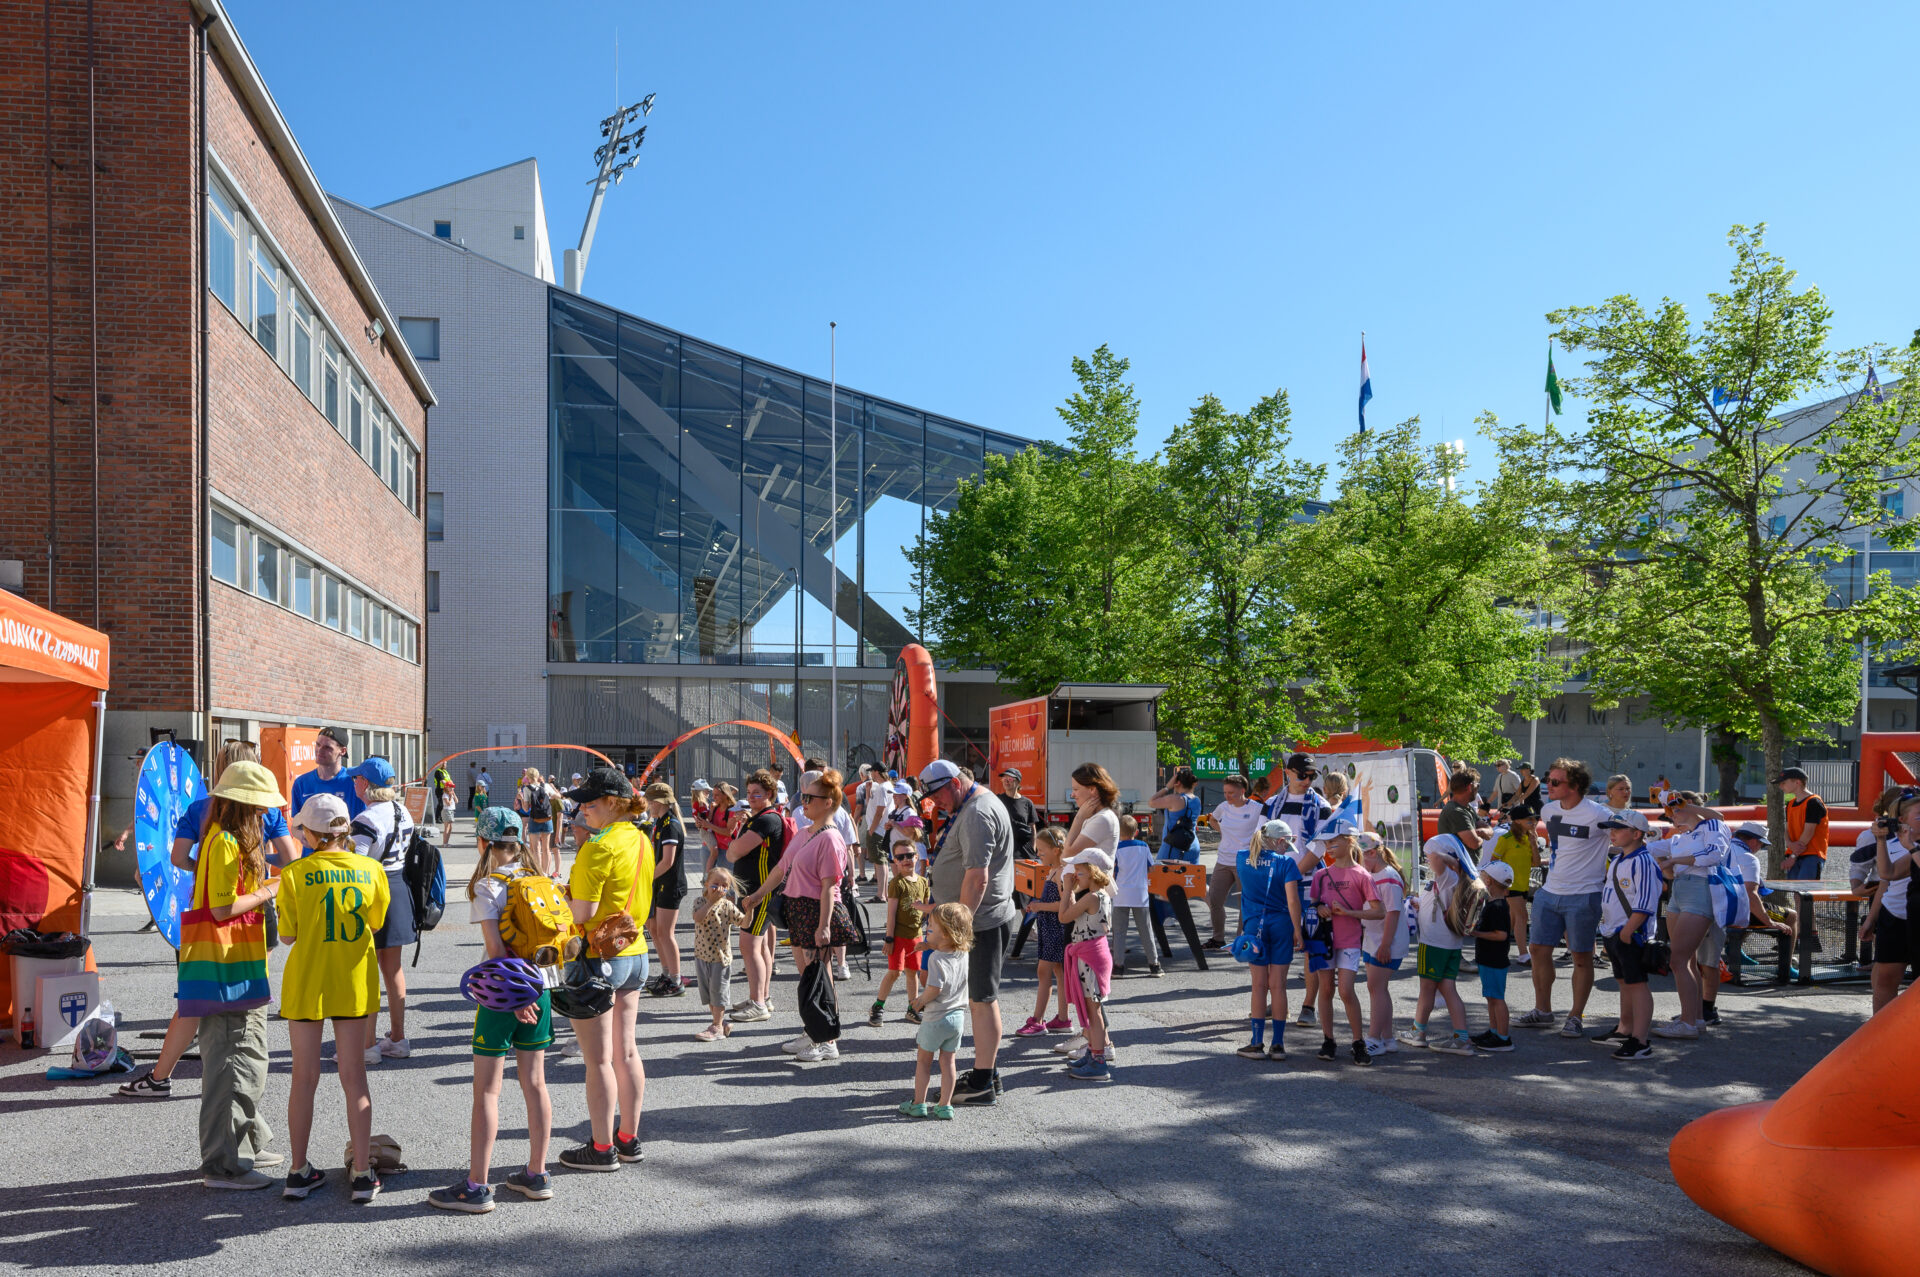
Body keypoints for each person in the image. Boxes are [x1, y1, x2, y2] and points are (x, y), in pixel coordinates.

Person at [120, 741, 300, 1100]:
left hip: (209, 915)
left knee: (197, 1000)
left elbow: (176, 857)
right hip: (251, 914)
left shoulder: (201, 809)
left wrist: (204, 870)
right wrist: (261, 877)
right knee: (245, 1000)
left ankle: (163, 1076)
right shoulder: (260, 816)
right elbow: (289, 859)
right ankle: (238, 1082)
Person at [429, 806, 555, 1211]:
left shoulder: (489, 886)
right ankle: (537, 1174)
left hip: (504, 993)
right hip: (542, 989)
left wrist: (514, 998)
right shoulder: (540, 879)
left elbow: (496, 951)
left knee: (486, 1089)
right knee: (535, 1083)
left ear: (483, 842)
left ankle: (477, 1185)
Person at [278, 792, 390, 1204]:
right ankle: (361, 1172)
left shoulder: (294, 873)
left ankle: (298, 1170)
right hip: (352, 980)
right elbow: (375, 923)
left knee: (303, 1078)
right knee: (354, 1076)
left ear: (310, 833)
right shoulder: (371, 869)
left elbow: (287, 935)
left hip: (307, 980)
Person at [182, 762, 285, 1190]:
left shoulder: (222, 838)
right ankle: (225, 1164)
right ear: (243, 806)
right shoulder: (225, 842)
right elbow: (223, 908)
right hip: (228, 967)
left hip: (237, 964)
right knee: (234, 1062)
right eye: (260, 806)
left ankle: (247, 1143)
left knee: (246, 1056)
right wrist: (268, 890)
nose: (266, 813)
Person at [560, 766, 655, 1170]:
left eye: (591, 803)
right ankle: (628, 1139)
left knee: (598, 1060)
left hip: (597, 957)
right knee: (626, 1051)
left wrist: (561, 898)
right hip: (634, 950)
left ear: (614, 803)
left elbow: (582, 912)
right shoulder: (641, 839)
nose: (583, 810)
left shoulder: (597, 847)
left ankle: (601, 1148)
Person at [743, 768, 856, 1063]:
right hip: (799, 910)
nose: (803, 802)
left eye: (809, 798)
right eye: (802, 797)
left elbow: (829, 886)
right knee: (808, 978)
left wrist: (824, 926)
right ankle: (813, 1030)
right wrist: (757, 895)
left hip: (817, 911)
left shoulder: (831, 838)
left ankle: (827, 1039)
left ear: (828, 802)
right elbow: (781, 868)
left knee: (821, 978)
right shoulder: (806, 832)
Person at [920, 758, 1016, 1104]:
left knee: (981, 1001)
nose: (936, 803)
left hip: (981, 921)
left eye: (939, 796)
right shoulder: (973, 805)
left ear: (955, 783)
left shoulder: (977, 813)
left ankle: (982, 1082)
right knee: (979, 999)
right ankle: (988, 1072)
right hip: (980, 919)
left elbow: (977, 879)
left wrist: (957, 929)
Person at [1516, 758, 1610, 1039]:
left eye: (1555, 781)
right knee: (1538, 951)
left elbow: (1627, 836)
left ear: (1576, 785)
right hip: (1549, 892)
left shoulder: (1598, 814)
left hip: (1585, 894)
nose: (1549, 785)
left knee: (1582, 957)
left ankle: (1575, 1017)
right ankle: (1543, 1011)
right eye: (1548, 779)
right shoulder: (1548, 809)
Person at [346, 757, 417, 1067]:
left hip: (372, 891)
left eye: (357, 778)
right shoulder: (403, 812)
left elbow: (356, 865)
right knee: (393, 969)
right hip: (399, 888)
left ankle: (367, 1045)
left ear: (366, 784)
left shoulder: (366, 818)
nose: (354, 782)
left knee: (368, 970)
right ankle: (398, 1039)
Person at [1647, 793, 1730, 1040]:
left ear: (1689, 807)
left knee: (1678, 960)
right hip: (1680, 891)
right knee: (1688, 961)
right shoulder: (1680, 837)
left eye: (1675, 810)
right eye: (1668, 812)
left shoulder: (1711, 825)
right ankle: (1695, 1019)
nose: (1671, 816)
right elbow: (1648, 849)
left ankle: (1688, 1023)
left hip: (1700, 889)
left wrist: (1673, 860)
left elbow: (1713, 855)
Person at [1593, 810, 1664, 1059]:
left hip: (1631, 933)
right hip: (1615, 931)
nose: (1612, 833)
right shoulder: (1618, 859)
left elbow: (1645, 903)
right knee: (1624, 982)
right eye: (1611, 828)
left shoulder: (1643, 861)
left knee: (1637, 984)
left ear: (1636, 834)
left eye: (1618, 829)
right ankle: (1625, 1029)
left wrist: (1627, 931)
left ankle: (1640, 1040)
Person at [1397, 836, 1477, 1055]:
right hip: (1450, 943)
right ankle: (1461, 1038)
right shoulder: (1450, 878)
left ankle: (1418, 1032)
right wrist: (1419, 903)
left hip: (1434, 943)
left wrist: (1444, 855)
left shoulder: (1448, 875)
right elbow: (1437, 900)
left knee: (1426, 989)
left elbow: (1441, 861)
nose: (1427, 859)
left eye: (1428, 854)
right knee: (1448, 989)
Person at [1232, 819, 1305, 1060]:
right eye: (1286, 845)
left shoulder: (1242, 858)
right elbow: (1293, 900)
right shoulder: (1286, 863)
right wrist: (1298, 930)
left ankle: (1256, 1042)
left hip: (1255, 927)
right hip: (1282, 925)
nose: (1287, 850)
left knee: (1258, 986)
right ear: (1280, 841)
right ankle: (1278, 1045)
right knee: (1278, 986)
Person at [1309, 820, 1378, 1065]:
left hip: (1350, 941)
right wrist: (1319, 908)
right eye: (1326, 842)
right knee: (1326, 989)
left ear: (1349, 841)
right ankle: (1328, 1040)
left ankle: (1358, 1042)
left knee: (1346, 990)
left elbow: (1379, 912)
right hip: (1324, 941)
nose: (1328, 846)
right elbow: (1313, 905)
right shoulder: (1320, 875)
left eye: (1333, 841)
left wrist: (1349, 913)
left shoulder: (1363, 875)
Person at [724, 770, 789, 1021]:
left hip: (758, 893)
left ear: (770, 794)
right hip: (754, 892)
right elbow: (734, 850)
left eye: (757, 793)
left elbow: (733, 852)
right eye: (749, 792)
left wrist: (734, 846)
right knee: (759, 947)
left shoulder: (766, 820)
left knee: (749, 945)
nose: (751, 797)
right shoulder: (759, 818)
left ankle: (759, 1003)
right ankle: (762, 997)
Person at [900, 903, 974, 1119]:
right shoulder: (963, 953)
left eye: (931, 927)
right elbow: (947, 950)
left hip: (935, 1018)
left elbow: (934, 988)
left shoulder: (935, 959)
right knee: (948, 1062)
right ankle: (945, 1105)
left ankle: (918, 1104)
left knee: (924, 1062)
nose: (927, 929)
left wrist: (920, 1001)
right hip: (957, 1018)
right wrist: (929, 944)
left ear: (947, 933)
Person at [1059, 850, 1118, 1082]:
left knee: (1093, 1011)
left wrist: (1067, 889)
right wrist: (1073, 892)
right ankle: (1094, 1053)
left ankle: (1098, 1062)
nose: (1075, 875)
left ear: (1092, 872)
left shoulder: (1091, 897)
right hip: (1093, 954)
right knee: (1093, 1009)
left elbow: (1064, 916)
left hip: (1089, 957)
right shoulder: (1099, 895)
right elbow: (1076, 915)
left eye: (1079, 871)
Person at [1016, 826, 1072, 1038]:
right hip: (1050, 928)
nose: (1038, 853)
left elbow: (1066, 904)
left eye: (1041, 850)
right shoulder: (1053, 871)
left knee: (1044, 972)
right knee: (1058, 972)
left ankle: (1038, 1021)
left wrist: (1040, 906)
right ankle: (1063, 1019)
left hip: (1056, 929)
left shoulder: (1062, 873)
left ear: (1056, 850)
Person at [1357, 835, 1409, 1057]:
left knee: (1376, 989)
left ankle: (1374, 1038)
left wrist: (1386, 945)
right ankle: (1387, 1039)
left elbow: (1393, 913)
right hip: (1374, 940)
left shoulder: (1388, 877)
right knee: (1378, 989)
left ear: (1371, 853)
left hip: (1385, 943)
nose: (1358, 862)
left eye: (1360, 856)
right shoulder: (1375, 874)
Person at [1868, 790, 1920, 1015]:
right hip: (1901, 916)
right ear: (1902, 820)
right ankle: (1879, 1030)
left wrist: (1911, 847)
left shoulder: (1913, 846)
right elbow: (1887, 873)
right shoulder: (1910, 844)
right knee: (1885, 978)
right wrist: (1881, 840)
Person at [871, 836, 931, 1027]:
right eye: (900, 857)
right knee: (895, 972)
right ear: (895, 861)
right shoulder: (896, 883)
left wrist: (928, 935)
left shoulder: (923, 882)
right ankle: (878, 1007)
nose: (905, 860)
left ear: (916, 857)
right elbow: (891, 913)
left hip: (916, 936)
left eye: (909, 855)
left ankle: (913, 1008)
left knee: (912, 972)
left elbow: (926, 910)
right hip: (897, 936)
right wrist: (889, 939)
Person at [1205, 774, 1265, 949]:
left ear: (1243, 790)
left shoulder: (1256, 808)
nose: (1227, 796)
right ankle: (1217, 938)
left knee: (1244, 903)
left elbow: (1265, 830)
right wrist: (1223, 832)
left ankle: (1241, 940)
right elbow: (1213, 819)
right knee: (1215, 900)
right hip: (1223, 860)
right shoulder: (1223, 807)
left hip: (1245, 861)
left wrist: (1256, 846)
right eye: (1225, 792)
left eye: (1231, 792)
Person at [690, 866, 748, 1042]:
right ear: (706, 884)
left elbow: (744, 923)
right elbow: (698, 918)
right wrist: (711, 903)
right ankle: (720, 1023)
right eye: (715, 884)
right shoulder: (700, 902)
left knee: (719, 994)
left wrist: (750, 909)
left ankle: (717, 1027)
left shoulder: (728, 906)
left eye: (724, 886)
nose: (719, 888)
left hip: (720, 958)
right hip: (701, 956)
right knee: (708, 994)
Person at [642, 782, 688, 998]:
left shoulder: (670, 824)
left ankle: (676, 980)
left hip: (670, 884)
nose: (647, 805)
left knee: (665, 933)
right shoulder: (660, 822)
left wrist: (645, 878)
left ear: (658, 802)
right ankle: (666, 973)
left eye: (649, 802)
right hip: (659, 883)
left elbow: (668, 861)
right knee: (654, 929)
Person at [1471, 861, 1516, 1052]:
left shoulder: (1497, 906)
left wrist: (1475, 933)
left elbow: (1501, 935)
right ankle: (1494, 1031)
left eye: (1482, 876)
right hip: (1487, 958)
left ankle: (1503, 1038)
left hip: (1494, 960)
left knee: (1497, 998)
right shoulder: (1491, 902)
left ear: (1488, 881)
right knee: (1491, 997)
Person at [1485, 813, 1537, 969]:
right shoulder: (1506, 839)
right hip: (1510, 886)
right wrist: (1501, 883)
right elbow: (1494, 861)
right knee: (1522, 916)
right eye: (1529, 819)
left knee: (1511, 921)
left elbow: (1536, 863)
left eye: (1535, 819)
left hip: (1523, 885)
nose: (1533, 822)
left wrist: (1534, 844)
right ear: (1518, 821)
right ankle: (1523, 955)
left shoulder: (1530, 838)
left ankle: (1497, 950)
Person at [1110, 814, 1159, 977]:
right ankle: (1154, 964)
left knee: (1119, 932)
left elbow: (1113, 870)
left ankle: (1118, 966)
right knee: (1146, 930)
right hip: (1140, 893)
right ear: (1136, 832)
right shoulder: (1144, 846)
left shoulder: (1116, 849)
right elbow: (1151, 868)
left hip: (1120, 894)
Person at [291, 726, 362, 820]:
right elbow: (296, 823)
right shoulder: (301, 783)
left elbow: (363, 822)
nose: (320, 750)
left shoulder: (354, 783)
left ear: (342, 751)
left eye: (327, 747)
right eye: (318, 744)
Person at [1774, 767, 1831, 881]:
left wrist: (1793, 856)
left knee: (1806, 890)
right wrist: (1789, 844)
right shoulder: (1790, 804)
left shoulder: (1814, 802)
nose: (1781, 786)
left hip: (1812, 855)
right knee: (1794, 890)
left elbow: (1808, 833)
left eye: (1784, 783)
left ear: (1797, 782)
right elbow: (1786, 829)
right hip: (1795, 854)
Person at [1267, 753, 1331, 844]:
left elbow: (1320, 845)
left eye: (1312, 776)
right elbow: (1260, 838)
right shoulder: (1270, 804)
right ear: (1288, 772)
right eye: (1302, 775)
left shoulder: (1322, 806)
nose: (1307, 781)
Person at [1149, 766, 1201, 863]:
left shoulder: (1174, 799)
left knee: (1161, 872)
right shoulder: (1196, 800)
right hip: (1192, 845)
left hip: (1173, 846)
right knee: (1190, 873)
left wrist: (1167, 787)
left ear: (1177, 783)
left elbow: (1151, 802)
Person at [997, 767, 1041, 868]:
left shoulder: (1027, 803)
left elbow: (1032, 828)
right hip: (1004, 849)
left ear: (1018, 782)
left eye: (1010, 779)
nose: (1006, 781)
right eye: (1004, 778)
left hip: (1023, 851)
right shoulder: (998, 800)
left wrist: (1033, 848)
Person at [1437, 770, 1486, 856]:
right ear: (1470, 787)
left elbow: (1488, 828)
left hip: (1466, 863)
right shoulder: (1456, 811)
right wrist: (1483, 836)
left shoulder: (1467, 808)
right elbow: (1474, 843)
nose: (1477, 789)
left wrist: (1479, 833)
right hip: (1460, 863)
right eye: (1477, 786)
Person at [689, 779, 717, 878]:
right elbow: (706, 821)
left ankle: (707, 874)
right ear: (700, 792)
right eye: (707, 790)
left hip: (705, 830)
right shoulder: (700, 804)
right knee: (715, 851)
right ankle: (706, 875)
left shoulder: (699, 803)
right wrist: (712, 810)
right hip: (706, 831)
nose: (709, 792)